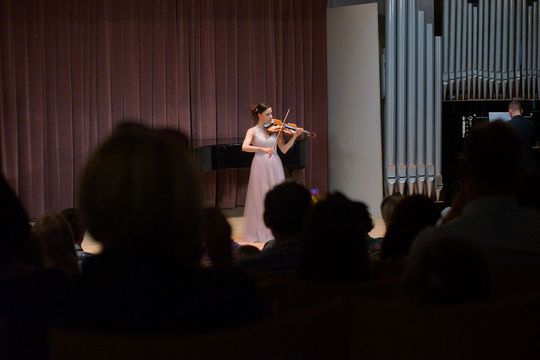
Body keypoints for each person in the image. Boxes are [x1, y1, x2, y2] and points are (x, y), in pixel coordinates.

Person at [241, 103, 303, 243]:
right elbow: (244, 147)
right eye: (268, 114)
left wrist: (294, 136)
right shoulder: (252, 131)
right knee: (261, 197)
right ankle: (261, 232)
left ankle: (278, 231)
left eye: (271, 113)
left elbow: (284, 150)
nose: (272, 116)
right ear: (259, 115)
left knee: (278, 198)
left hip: (275, 165)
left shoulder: (276, 130)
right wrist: (262, 150)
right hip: (260, 165)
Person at [507, 99, 538, 170]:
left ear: (510, 111)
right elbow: (534, 142)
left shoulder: (506, 125)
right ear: (521, 111)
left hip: (514, 165)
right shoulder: (531, 124)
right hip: (530, 165)